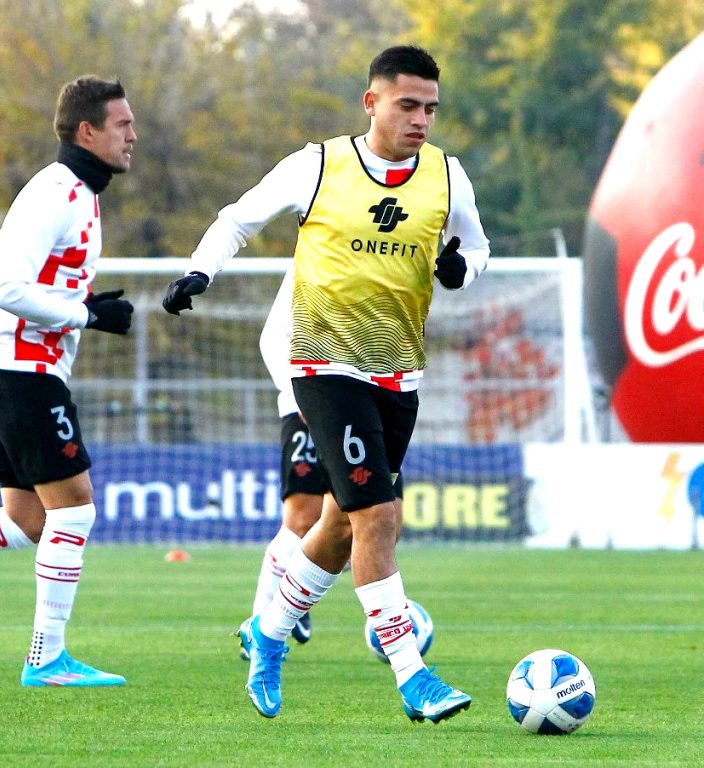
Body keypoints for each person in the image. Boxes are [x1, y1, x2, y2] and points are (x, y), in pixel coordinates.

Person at [163, 45, 490, 721]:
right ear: (372, 102)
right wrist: (200, 271)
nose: (420, 119)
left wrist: (463, 269)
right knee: (378, 517)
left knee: (343, 526)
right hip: (321, 362)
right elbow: (238, 218)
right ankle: (413, 677)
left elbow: (477, 246)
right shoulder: (318, 165)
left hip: (397, 371)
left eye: (430, 108)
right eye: (407, 105)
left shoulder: (447, 176)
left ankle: (268, 632)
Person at [0, 75, 137, 687]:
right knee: (75, 509)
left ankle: (48, 659)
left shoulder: (82, 193)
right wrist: (86, 315)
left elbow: (45, 285)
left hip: (26, 373)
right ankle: (46, 659)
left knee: (26, 521)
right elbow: (6, 289)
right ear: (88, 131)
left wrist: (87, 304)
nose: (133, 136)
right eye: (123, 124)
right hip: (22, 373)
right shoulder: (53, 194)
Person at [246, 262, 406, 659]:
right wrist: (296, 394)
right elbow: (272, 338)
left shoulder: (396, 257)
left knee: (384, 523)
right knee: (303, 516)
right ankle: (262, 622)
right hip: (309, 399)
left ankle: (290, 603)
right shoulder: (318, 253)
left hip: (371, 405)